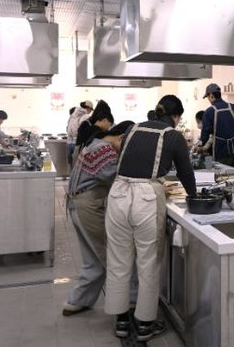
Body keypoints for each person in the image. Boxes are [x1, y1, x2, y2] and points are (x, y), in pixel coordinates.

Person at [105, 95, 197, 341]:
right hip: (145, 197)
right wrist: (195, 197)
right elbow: (186, 172)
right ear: (176, 116)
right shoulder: (173, 135)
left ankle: (121, 320)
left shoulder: (132, 129)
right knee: (148, 261)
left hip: (118, 193)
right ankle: (145, 323)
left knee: (118, 260)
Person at [62, 120, 135, 317]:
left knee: (93, 259)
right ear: (122, 138)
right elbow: (115, 178)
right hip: (88, 206)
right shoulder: (104, 150)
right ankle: (128, 303)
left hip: (79, 204)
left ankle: (77, 301)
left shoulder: (95, 144)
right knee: (113, 256)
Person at [199, 83, 234, 171]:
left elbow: (204, 136)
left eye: (208, 97)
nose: (208, 100)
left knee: (223, 178)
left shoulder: (209, 112)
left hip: (221, 154)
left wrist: (199, 146)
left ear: (211, 95)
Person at [66, 100, 94, 165]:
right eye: (91, 110)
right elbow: (86, 131)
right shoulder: (86, 116)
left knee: (71, 164)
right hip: (78, 144)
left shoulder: (72, 115)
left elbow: (67, 127)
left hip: (69, 142)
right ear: (88, 108)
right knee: (78, 165)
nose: (90, 112)